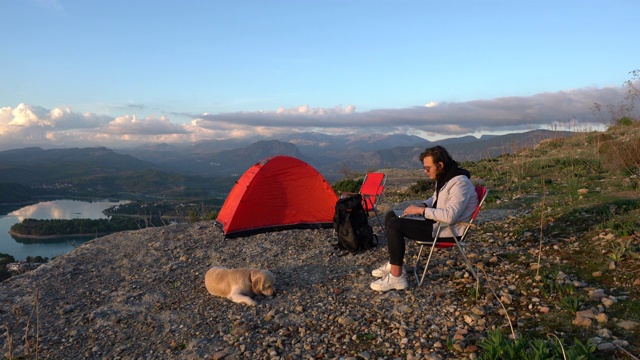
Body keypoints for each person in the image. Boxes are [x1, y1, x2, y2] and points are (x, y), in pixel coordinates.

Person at [370, 145, 479, 292]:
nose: (425, 171)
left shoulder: (460, 184)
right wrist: (422, 205)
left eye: (428, 168)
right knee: (392, 215)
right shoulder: (446, 177)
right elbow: (436, 199)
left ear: (440, 165)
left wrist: (421, 211)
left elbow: (450, 216)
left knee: (395, 225)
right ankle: (395, 262)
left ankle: (396, 277)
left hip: (447, 231)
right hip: (437, 224)